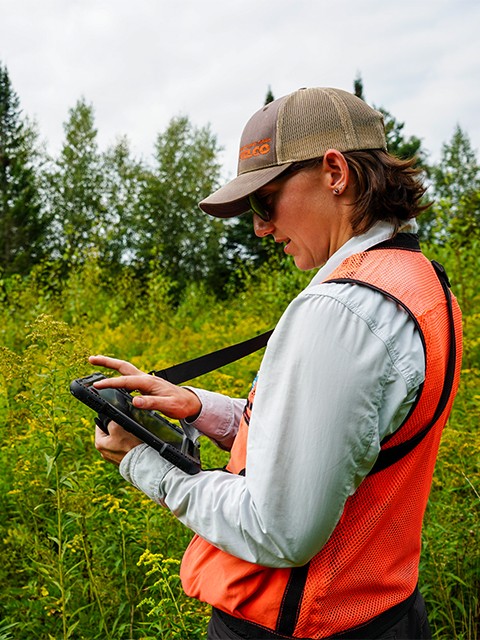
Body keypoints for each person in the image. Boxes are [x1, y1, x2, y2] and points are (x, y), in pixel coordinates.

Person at [90, 87, 463, 639]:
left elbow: (279, 530)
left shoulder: (338, 311)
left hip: (300, 626)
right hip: (382, 614)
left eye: (266, 202)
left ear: (335, 172)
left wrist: (143, 463)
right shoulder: (420, 283)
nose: (262, 228)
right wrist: (198, 408)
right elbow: (338, 442)